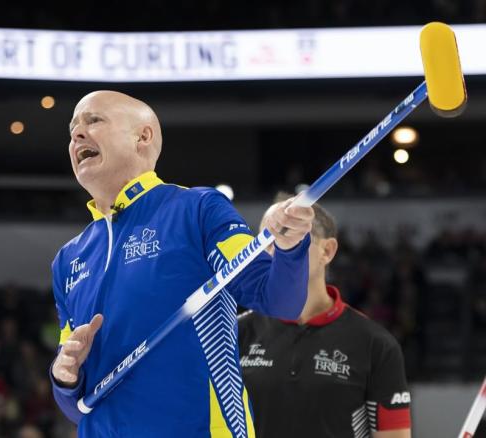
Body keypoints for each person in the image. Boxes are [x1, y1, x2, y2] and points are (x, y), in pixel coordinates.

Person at [48, 90, 314, 437]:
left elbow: (278, 300)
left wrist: (291, 247)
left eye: (93, 120)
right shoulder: (69, 259)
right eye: (72, 129)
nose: (77, 134)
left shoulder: (197, 209)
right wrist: (64, 377)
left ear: (143, 137)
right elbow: (76, 408)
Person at [238, 194, 412, 438]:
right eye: (267, 240)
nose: (278, 249)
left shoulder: (375, 344)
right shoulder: (237, 333)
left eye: (291, 235)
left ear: (327, 251)